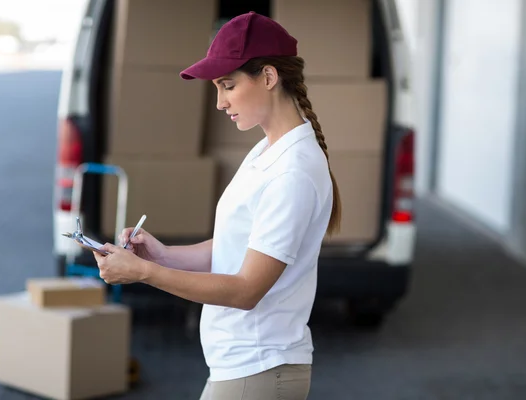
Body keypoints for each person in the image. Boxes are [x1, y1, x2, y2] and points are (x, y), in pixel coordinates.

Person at [93, 11, 342, 400]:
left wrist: (144, 273)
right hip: (246, 367)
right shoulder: (268, 152)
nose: (220, 102)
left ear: (269, 77)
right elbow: (236, 247)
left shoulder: (292, 172)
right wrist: (161, 255)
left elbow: (246, 290)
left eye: (227, 85)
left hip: (259, 369)